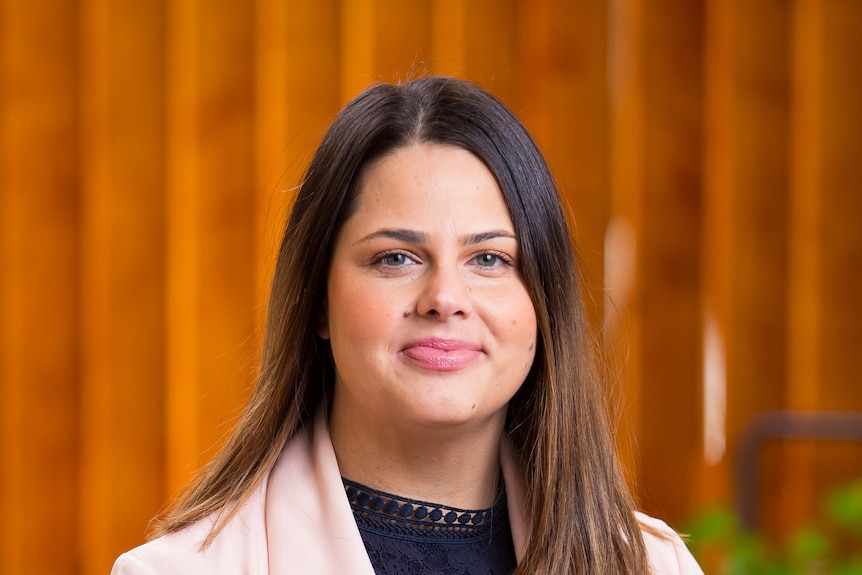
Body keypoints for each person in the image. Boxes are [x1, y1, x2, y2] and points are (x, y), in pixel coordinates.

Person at [111, 76, 703, 574]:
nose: (445, 298)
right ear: (317, 300)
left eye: (490, 259)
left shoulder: (655, 565)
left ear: (542, 303)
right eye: (396, 257)